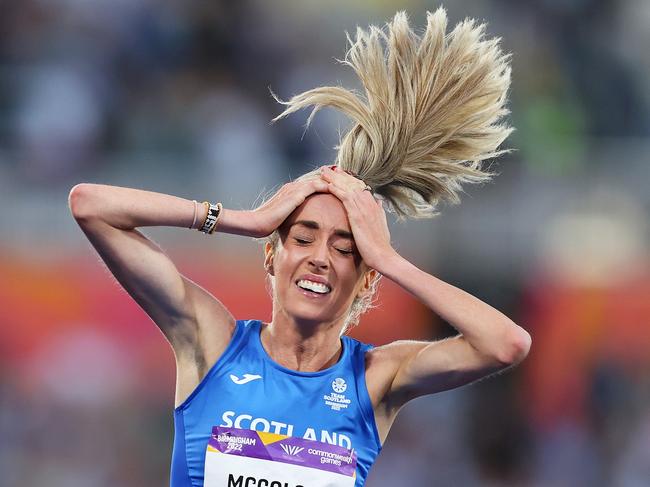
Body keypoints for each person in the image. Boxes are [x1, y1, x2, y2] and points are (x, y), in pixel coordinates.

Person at [69, 8, 531, 487]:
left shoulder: (373, 380)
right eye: (304, 237)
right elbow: (91, 206)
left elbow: (506, 344)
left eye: (346, 249)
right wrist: (242, 221)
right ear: (274, 255)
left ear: (365, 275)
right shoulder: (214, 343)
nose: (319, 257)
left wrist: (390, 259)